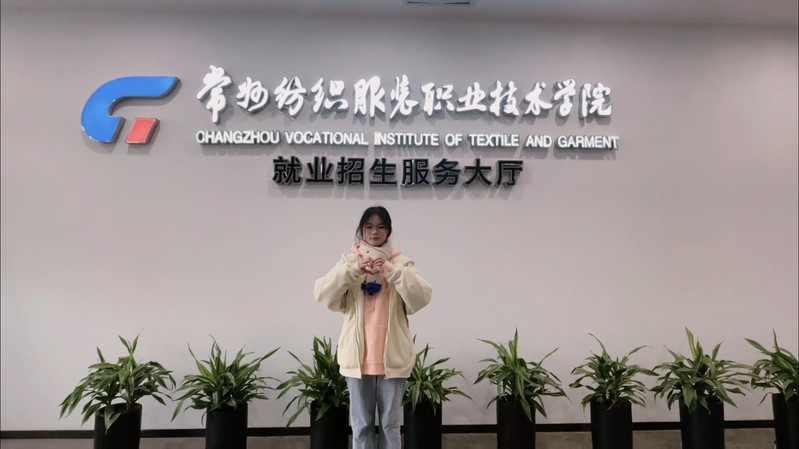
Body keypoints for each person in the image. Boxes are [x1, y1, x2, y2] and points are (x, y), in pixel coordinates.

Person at [314, 206, 432, 449]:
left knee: (390, 426)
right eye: (369, 226)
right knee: (361, 426)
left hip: (393, 360)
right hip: (357, 359)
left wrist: (391, 271)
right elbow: (322, 293)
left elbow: (422, 297)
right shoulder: (349, 263)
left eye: (380, 226)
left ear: (389, 231)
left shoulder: (401, 263)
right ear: (361, 230)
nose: (374, 232)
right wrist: (354, 270)